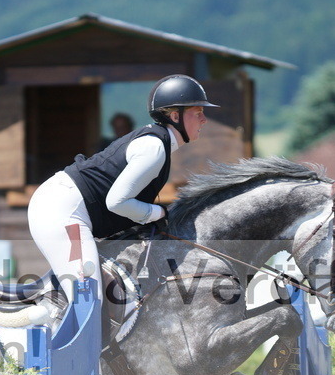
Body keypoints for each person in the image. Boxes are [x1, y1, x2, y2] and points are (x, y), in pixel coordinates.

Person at [27, 75, 218, 304]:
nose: (204, 119)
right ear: (175, 116)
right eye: (198, 113)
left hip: (65, 208)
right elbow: (117, 202)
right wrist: (159, 212)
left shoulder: (158, 143)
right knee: (88, 297)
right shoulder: (154, 148)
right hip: (63, 213)